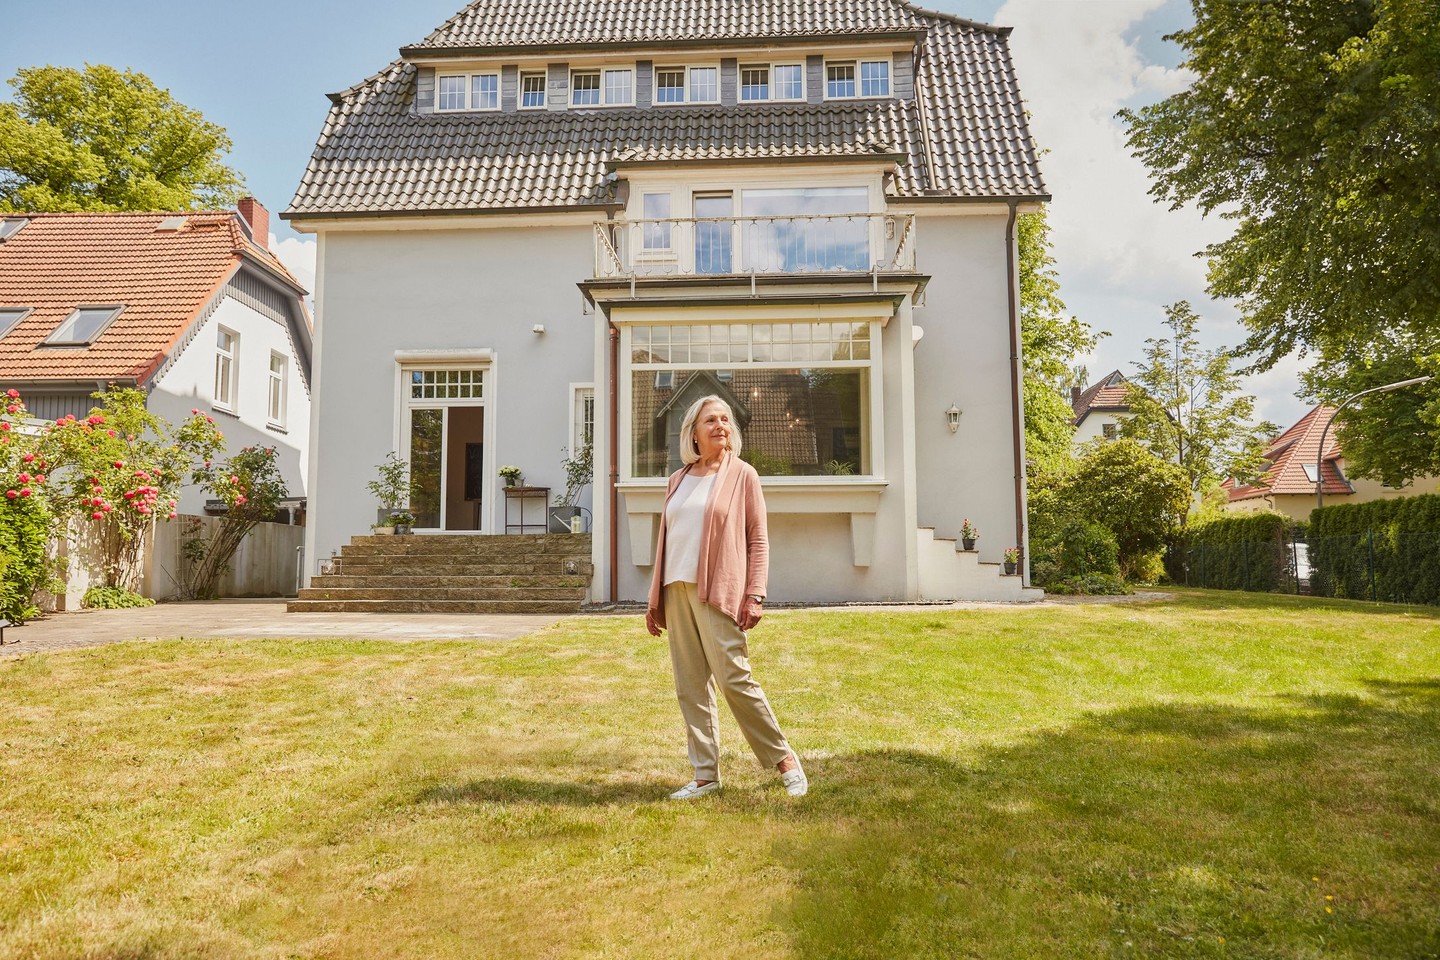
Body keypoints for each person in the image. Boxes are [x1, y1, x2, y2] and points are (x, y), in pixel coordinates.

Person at [645, 395, 808, 799]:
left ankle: (785, 760)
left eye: (725, 420)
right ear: (694, 434)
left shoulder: (743, 475)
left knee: (734, 677)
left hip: (716, 589)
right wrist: (654, 601)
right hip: (674, 587)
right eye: (711, 421)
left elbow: (758, 537)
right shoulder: (678, 479)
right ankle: (705, 775)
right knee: (690, 685)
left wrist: (755, 593)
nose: (720, 426)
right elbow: (668, 539)